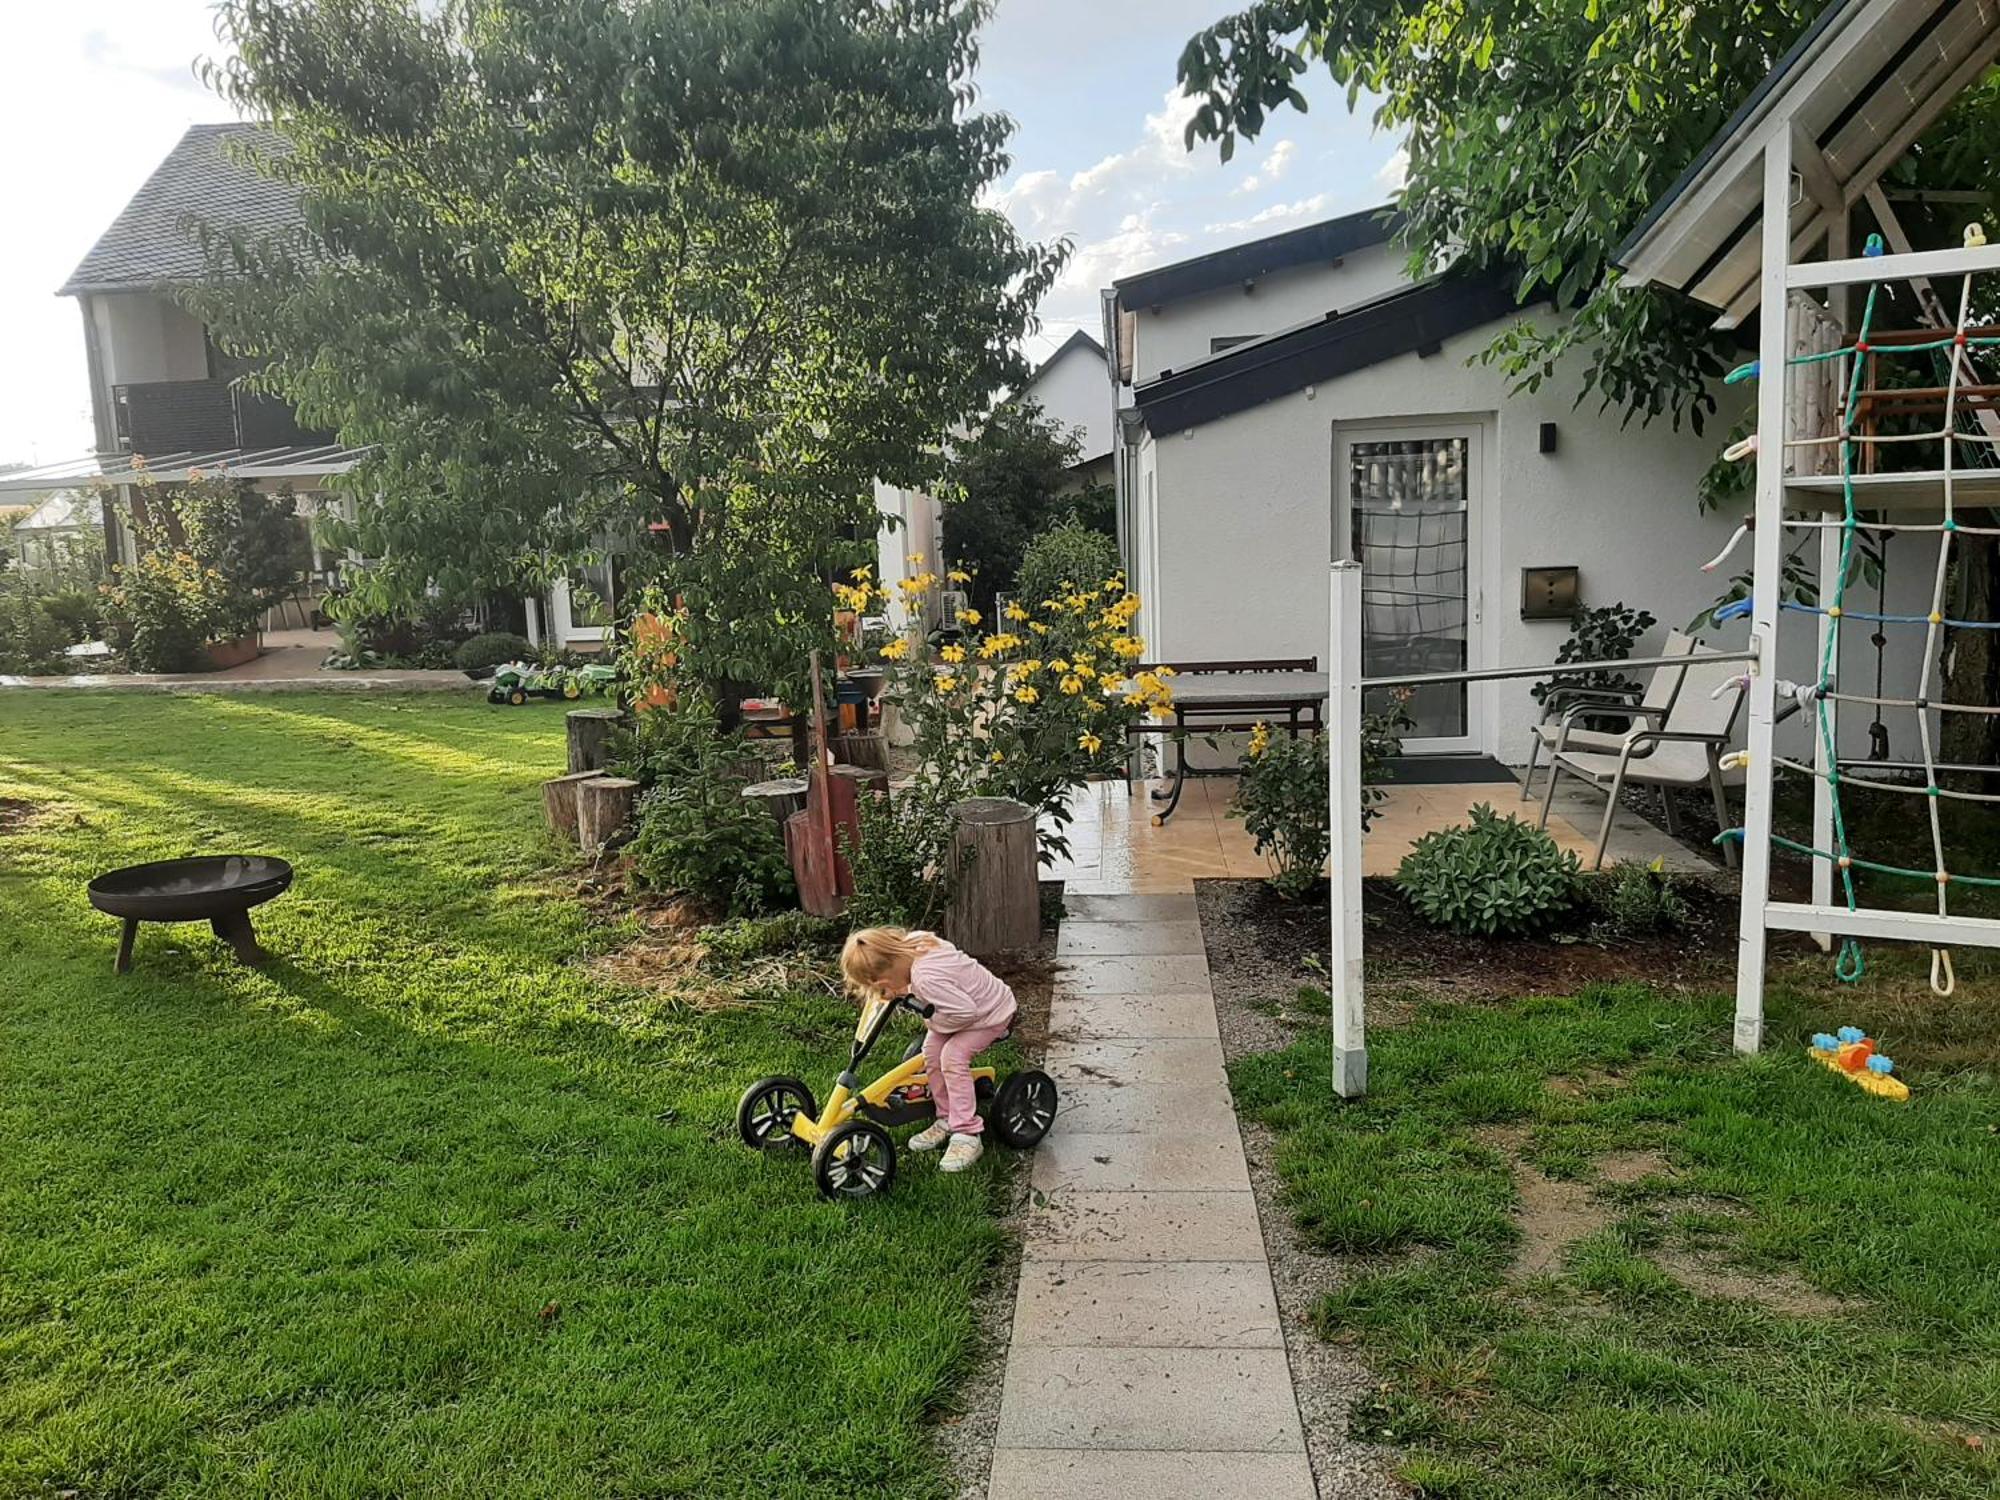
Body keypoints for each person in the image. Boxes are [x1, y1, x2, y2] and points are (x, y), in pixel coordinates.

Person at [839, 926, 1017, 1172]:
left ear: (884, 980)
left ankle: (967, 1132)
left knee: (952, 1057)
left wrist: (931, 1022)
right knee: (930, 1054)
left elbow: (966, 1013)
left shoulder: (926, 979)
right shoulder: (914, 943)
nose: (884, 994)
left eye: (882, 990)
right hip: (960, 1009)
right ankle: (946, 1116)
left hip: (989, 1014)